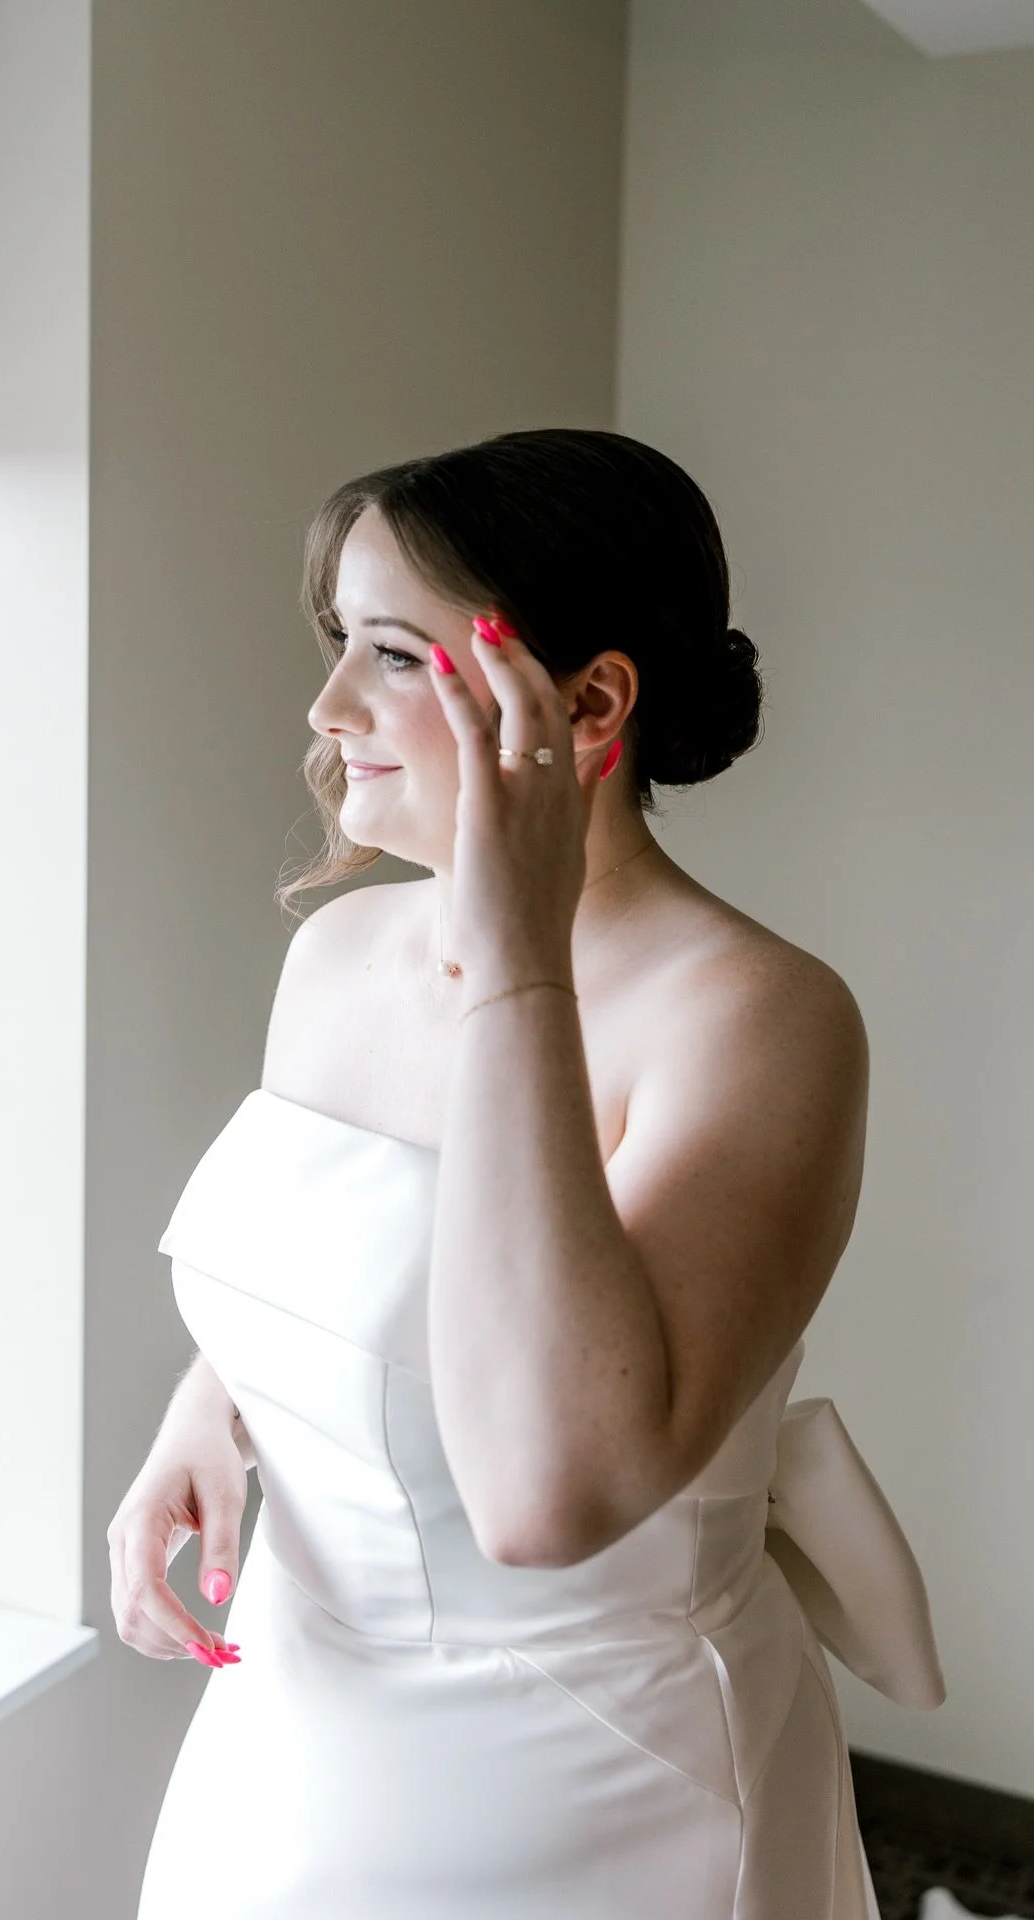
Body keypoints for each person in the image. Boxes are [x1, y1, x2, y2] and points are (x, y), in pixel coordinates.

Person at [111, 429, 944, 1919]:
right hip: (291, 1742)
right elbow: (343, 1270)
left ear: (590, 701)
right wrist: (211, 1405)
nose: (326, 705)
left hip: (593, 1790)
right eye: (335, 645)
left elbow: (547, 1492)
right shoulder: (336, 954)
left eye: (391, 655)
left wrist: (515, 959)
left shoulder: (761, 1021)